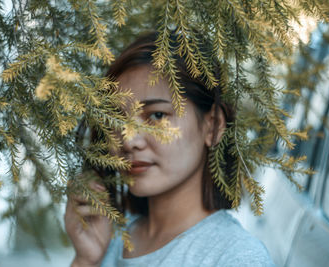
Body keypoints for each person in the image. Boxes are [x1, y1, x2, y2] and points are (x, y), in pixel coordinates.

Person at [64, 31, 274, 267]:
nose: (128, 140)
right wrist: (86, 260)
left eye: (156, 115)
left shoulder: (235, 257)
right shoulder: (108, 240)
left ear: (212, 126)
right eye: (116, 120)